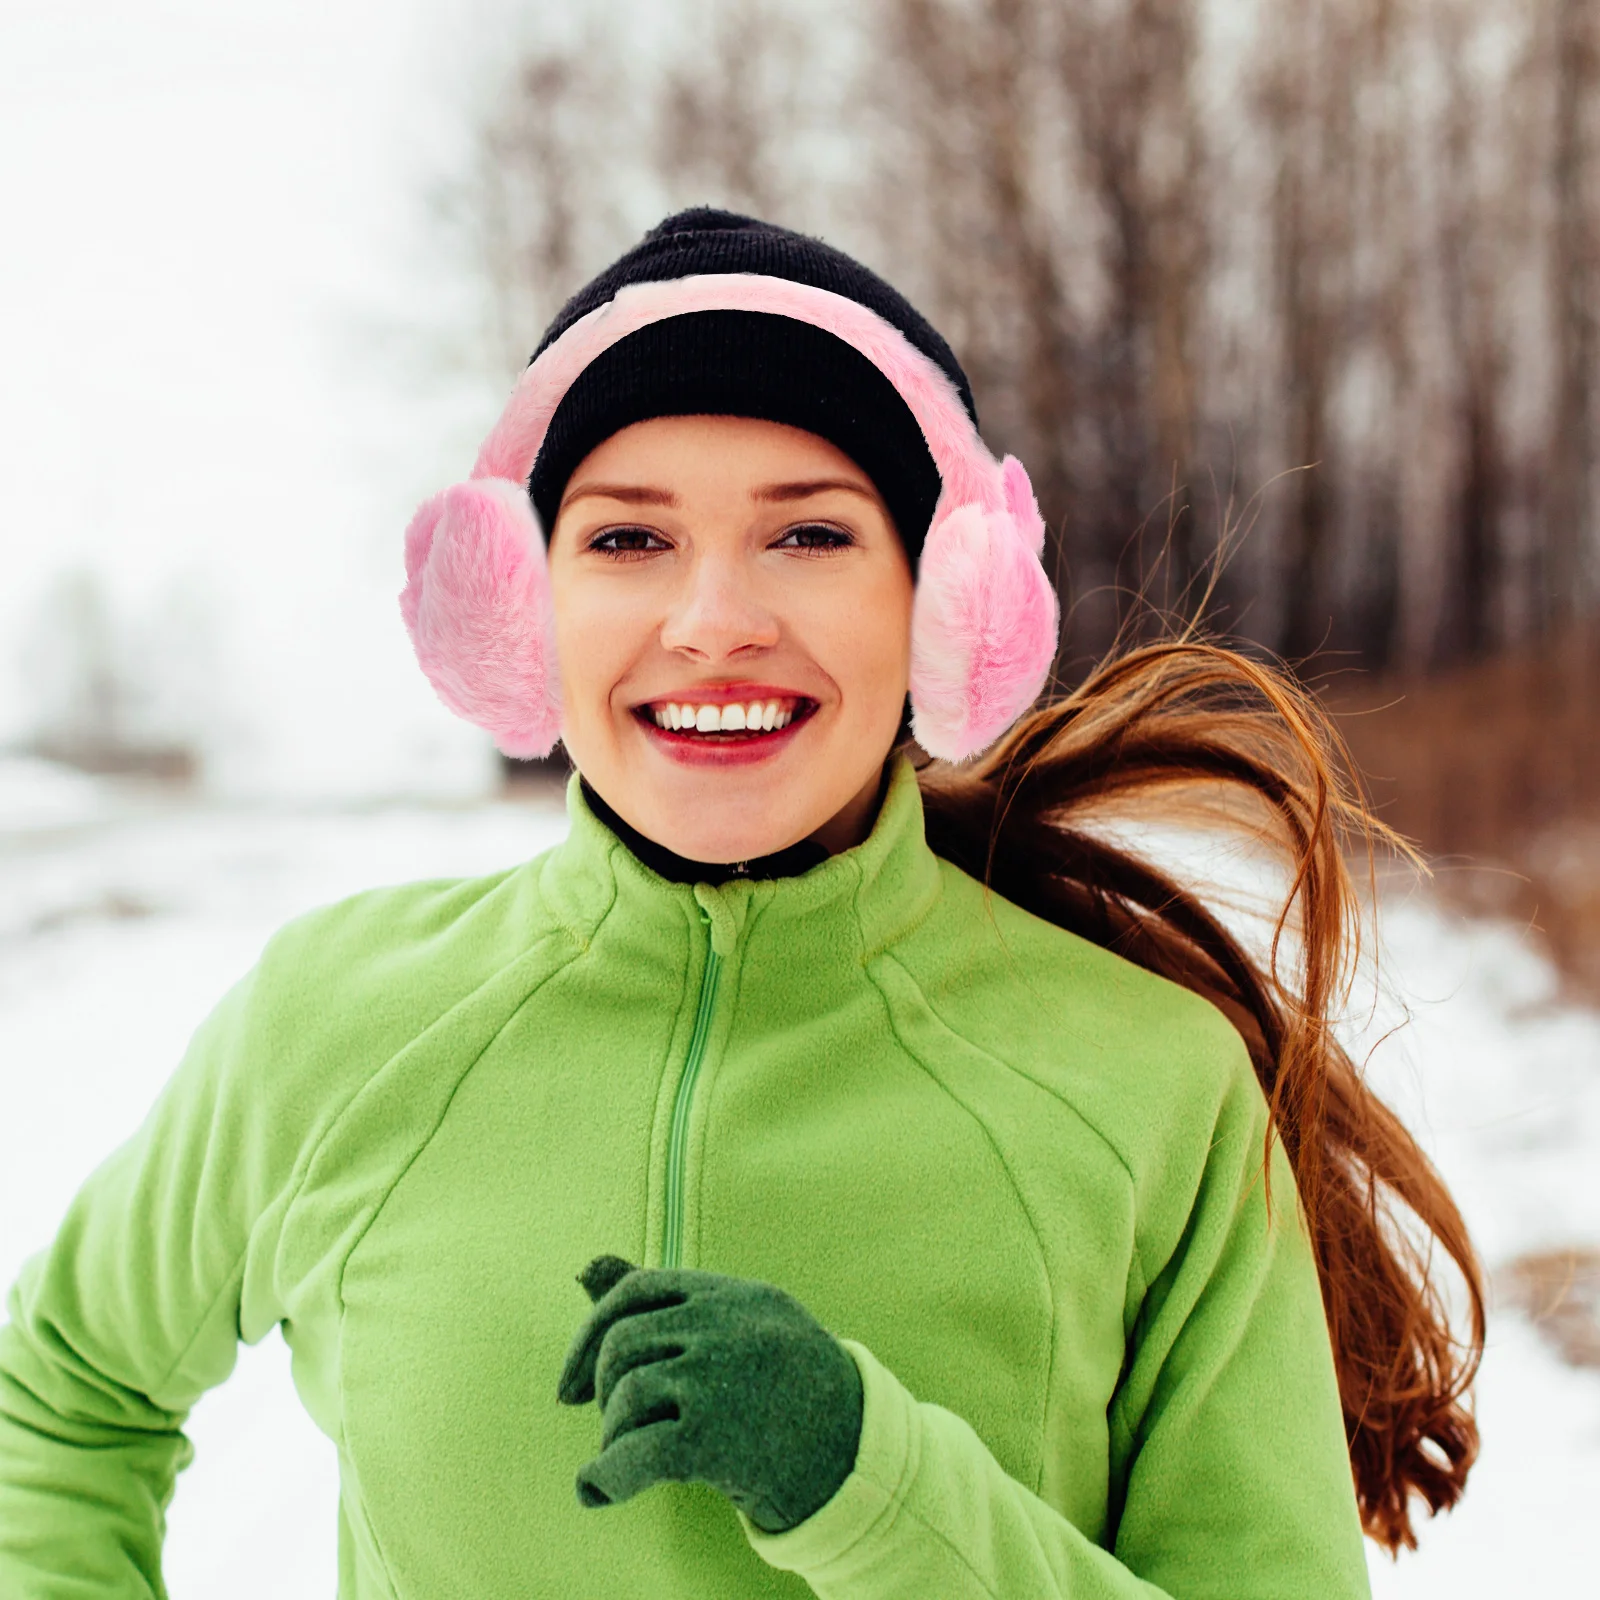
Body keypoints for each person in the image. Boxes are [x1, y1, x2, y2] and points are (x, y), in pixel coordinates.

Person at [0, 209, 1482, 1598]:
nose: (713, 621)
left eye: (812, 533)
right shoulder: (335, 1024)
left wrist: (865, 1478)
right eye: (628, 538)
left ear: (941, 601)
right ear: (524, 608)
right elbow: (55, 1397)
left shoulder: (1149, 1087)